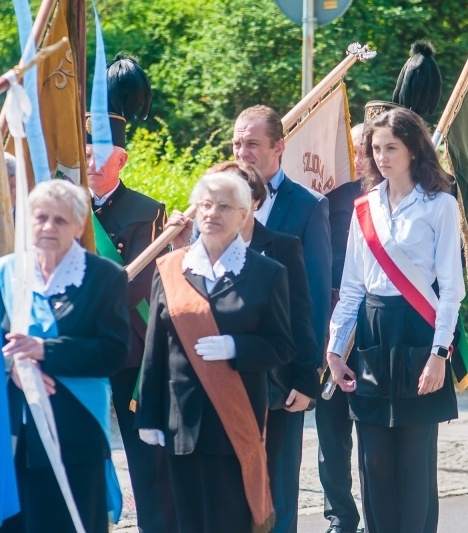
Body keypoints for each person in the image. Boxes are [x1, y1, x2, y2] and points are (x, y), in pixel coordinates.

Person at [327, 107, 465, 533]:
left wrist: (439, 353)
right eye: (376, 148)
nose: (382, 156)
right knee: (374, 461)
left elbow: (451, 290)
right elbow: (351, 286)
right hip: (372, 333)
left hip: (420, 334)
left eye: (392, 148)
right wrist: (334, 348)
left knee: (414, 461)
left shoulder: (440, 205)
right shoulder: (363, 206)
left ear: (413, 150)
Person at [136, 171, 295, 532]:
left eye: (224, 206)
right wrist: (149, 415)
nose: (211, 213)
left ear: (244, 215)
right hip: (181, 425)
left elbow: (282, 345)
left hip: (233, 423)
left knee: (229, 523)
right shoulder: (170, 269)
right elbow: (155, 348)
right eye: (205, 205)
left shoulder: (267, 273)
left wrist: (236, 347)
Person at [1, 179, 130, 533]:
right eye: (40, 218)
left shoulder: (104, 277)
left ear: (78, 226)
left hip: (74, 432)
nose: (47, 227)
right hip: (13, 432)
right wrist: (13, 366)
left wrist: (45, 350)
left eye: (60, 220)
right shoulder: (6, 272)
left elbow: (114, 353)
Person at [85, 52, 176, 533]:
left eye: (100, 151)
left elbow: (144, 283)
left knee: (148, 464)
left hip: (130, 351)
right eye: (84, 150)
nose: (90, 160)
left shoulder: (147, 209)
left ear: (121, 158)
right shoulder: (62, 207)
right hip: (79, 352)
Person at [232, 104, 331, 533]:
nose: (243, 151)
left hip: (283, 372)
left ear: (279, 147)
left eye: (252, 143)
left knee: (280, 493)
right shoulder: (213, 202)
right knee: (233, 491)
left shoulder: (309, 207)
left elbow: (313, 298)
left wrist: (307, 375)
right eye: (237, 142)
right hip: (229, 370)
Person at [316, 123, 366, 533]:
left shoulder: (393, 200)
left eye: (368, 149)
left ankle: (379, 511)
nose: (361, 158)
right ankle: (340, 516)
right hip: (332, 327)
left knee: (372, 433)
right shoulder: (326, 201)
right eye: (355, 150)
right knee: (331, 434)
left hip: (374, 329)